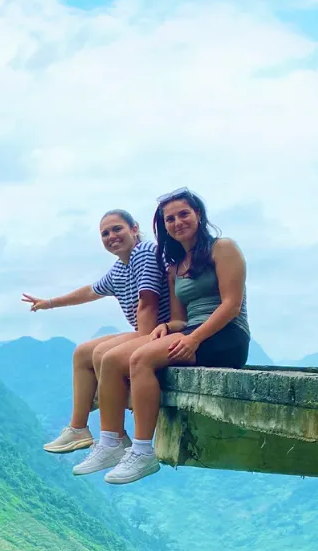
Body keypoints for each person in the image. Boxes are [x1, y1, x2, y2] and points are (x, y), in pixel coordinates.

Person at [94, 188, 249, 485]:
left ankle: (143, 451)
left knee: (141, 359)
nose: (178, 222)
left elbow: (231, 305)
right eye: (170, 219)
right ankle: (111, 442)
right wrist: (168, 327)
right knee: (112, 360)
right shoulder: (176, 266)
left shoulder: (223, 248)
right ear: (163, 226)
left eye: (184, 214)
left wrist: (194, 339)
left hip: (227, 335)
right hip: (192, 332)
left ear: (198, 215)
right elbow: (180, 318)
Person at [23, 210, 171, 460]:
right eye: (105, 233)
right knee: (82, 353)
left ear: (134, 228)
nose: (111, 236)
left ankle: (115, 437)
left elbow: (147, 303)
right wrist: (49, 303)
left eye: (117, 229)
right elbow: (91, 291)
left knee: (104, 354)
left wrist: (141, 343)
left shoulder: (145, 252)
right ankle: (78, 429)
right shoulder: (119, 269)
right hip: (146, 332)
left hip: (161, 331)